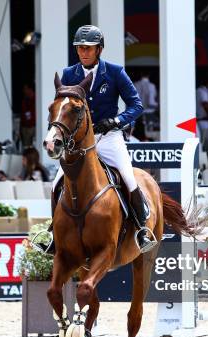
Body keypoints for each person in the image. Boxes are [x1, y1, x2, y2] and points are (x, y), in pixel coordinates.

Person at [43, 25, 155, 254]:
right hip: (80, 141)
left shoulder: (114, 72)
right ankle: (53, 234)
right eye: (80, 48)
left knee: (127, 176)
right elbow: (60, 109)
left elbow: (136, 105)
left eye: (89, 48)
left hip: (108, 137)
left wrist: (115, 121)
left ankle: (142, 230)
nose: (83, 52)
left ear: (99, 49)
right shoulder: (68, 74)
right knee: (56, 183)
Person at [133, 72, 158, 139]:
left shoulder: (135, 84)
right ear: (149, 76)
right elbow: (151, 102)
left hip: (137, 112)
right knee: (149, 131)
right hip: (149, 112)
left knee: (138, 131)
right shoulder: (152, 86)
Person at [20, 84, 36, 148]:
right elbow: (22, 115)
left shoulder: (36, 99)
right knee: (26, 147)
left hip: (33, 127)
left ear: (30, 89)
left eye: (25, 89)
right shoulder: (24, 100)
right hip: (24, 128)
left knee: (33, 146)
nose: (24, 91)